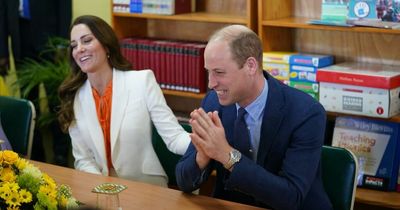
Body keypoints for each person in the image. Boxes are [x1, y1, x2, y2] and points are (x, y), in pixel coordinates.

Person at [175, 25, 332, 210]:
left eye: (219, 72)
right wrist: (202, 157)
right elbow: (183, 182)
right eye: (208, 71)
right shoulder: (213, 103)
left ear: (250, 66)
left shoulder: (306, 113)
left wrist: (227, 155)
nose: (211, 83)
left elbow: (291, 197)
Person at [57, 15, 190, 187]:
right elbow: (83, 160)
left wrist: (206, 144)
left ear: (106, 45)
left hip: (145, 189)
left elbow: (174, 137)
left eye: (87, 41)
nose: (79, 49)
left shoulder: (142, 81)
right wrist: (103, 189)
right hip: (100, 190)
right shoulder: (75, 96)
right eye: (74, 45)